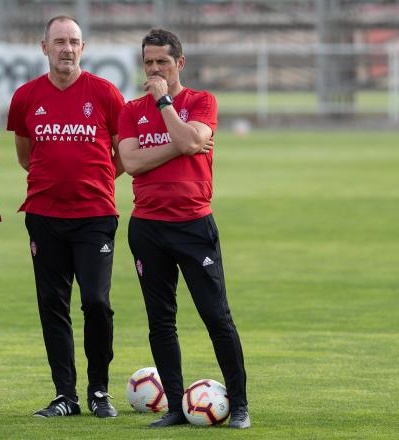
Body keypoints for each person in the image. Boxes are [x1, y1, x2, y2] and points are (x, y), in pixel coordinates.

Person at [117, 28, 250, 429]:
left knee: (216, 315)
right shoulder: (129, 110)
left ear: (180, 63)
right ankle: (176, 406)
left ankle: (240, 404)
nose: (154, 69)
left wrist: (163, 103)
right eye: (149, 62)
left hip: (193, 225)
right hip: (148, 228)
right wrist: (182, 142)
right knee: (160, 320)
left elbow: (193, 141)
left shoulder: (202, 101)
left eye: (162, 61)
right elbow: (133, 164)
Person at [7, 15, 124, 418]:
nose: (67, 48)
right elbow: (25, 156)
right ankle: (65, 395)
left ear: (83, 48)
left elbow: (121, 155)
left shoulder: (106, 94)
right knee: (52, 304)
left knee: (96, 302)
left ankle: (99, 390)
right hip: (44, 215)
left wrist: (95, 179)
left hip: (95, 216)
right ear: (44, 47)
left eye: (74, 41)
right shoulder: (26, 97)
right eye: (59, 41)